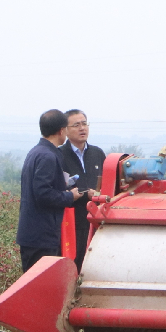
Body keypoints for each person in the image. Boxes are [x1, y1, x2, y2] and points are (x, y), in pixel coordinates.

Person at [16, 110, 93, 272]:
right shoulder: (48, 156)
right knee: (42, 283)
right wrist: (69, 196)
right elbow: (43, 193)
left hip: (32, 235)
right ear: (61, 130)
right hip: (42, 236)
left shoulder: (36, 152)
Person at [59, 110, 105, 271]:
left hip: (96, 220)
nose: (82, 128)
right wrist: (85, 194)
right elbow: (60, 187)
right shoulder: (59, 155)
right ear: (65, 130)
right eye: (76, 125)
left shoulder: (97, 153)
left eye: (84, 124)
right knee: (74, 266)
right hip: (72, 221)